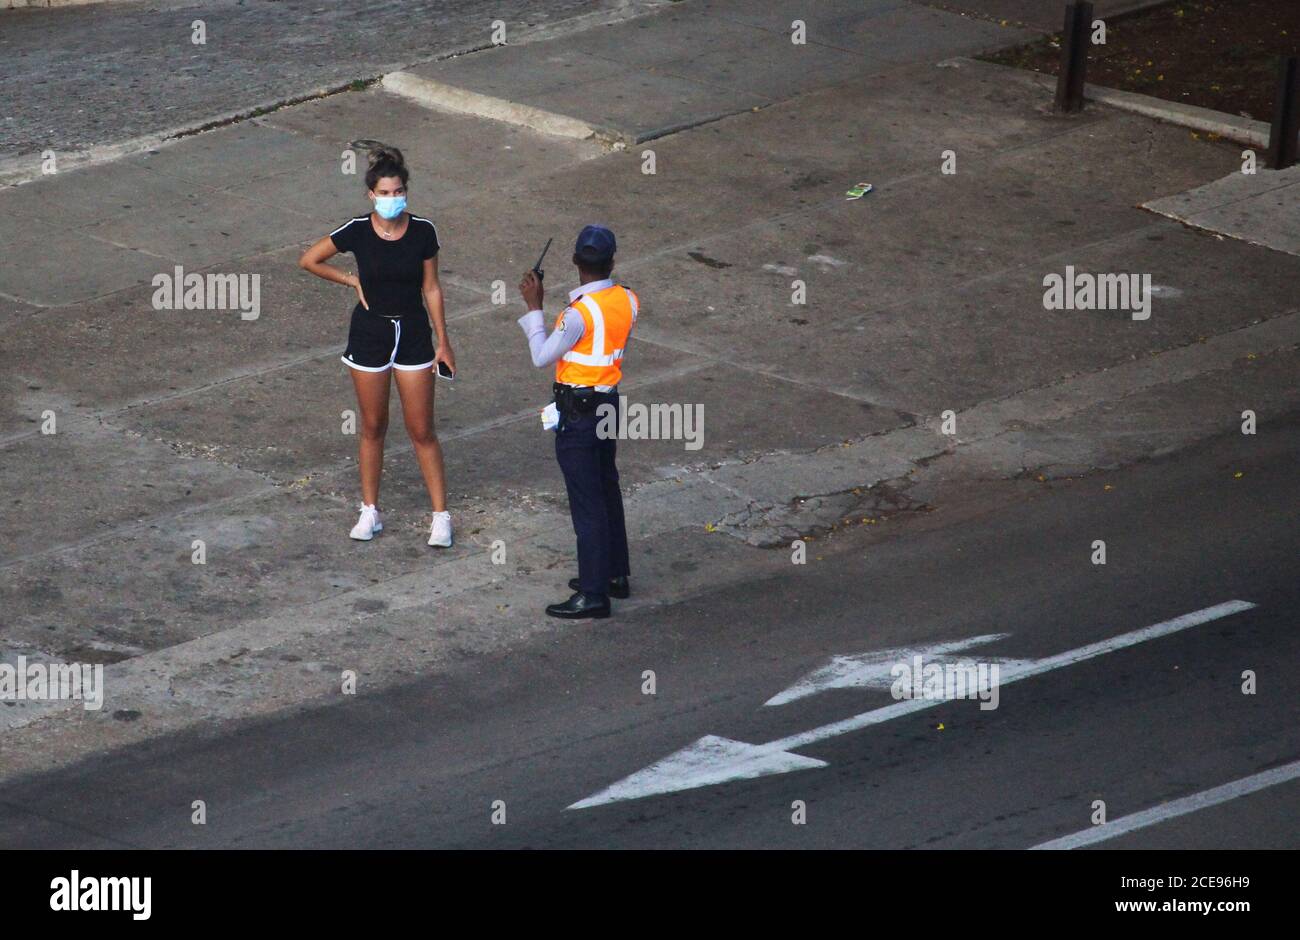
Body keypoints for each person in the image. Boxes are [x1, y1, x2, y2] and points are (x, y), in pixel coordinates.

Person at [298, 145, 455, 547]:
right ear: (371, 194)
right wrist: (350, 281)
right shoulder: (356, 230)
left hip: (414, 334)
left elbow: (431, 287)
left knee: (422, 429)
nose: (392, 199)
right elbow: (310, 260)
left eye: (398, 191)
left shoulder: (423, 231)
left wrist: (444, 342)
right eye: (384, 193)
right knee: (372, 426)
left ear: (406, 191)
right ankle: (370, 510)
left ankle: (441, 516)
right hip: (370, 335)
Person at [516, 225, 636, 619]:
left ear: (574, 262)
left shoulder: (578, 315)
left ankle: (593, 593)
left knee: (587, 502)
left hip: (579, 414)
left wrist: (535, 308)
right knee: (607, 489)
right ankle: (613, 574)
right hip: (607, 404)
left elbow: (541, 356)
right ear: (612, 260)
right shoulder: (628, 300)